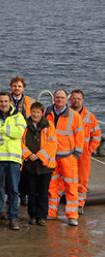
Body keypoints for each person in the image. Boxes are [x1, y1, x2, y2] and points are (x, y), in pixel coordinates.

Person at [0, 92, 26, 230]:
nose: (3, 104)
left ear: (10, 102)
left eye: (6, 101)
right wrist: (9, 134)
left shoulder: (19, 116)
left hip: (13, 158)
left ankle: (13, 218)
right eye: (1, 101)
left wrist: (0, 130)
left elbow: (19, 133)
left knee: (14, 190)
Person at [46, 89, 84, 226]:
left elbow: (80, 136)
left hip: (68, 157)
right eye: (57, 97)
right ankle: (51, 213)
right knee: (52, 187)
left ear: (66, 99)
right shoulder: (48, 113)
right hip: (52, 157)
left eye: (62, 98)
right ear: (54, 99)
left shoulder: (74, 116)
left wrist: (76, 154)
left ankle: (72, 216)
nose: (59, 100)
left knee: (71, 187)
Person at [22, 102, 57, 226]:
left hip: (45, 166)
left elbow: (52, 144)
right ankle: (32, 215)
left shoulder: (49, 125)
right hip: (29, 164)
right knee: (31, 192)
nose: (35, 114)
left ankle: (42, 216)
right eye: (33, 112)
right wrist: (28, 154)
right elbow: (20, 142)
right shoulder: (24, 125)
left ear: (42, 113)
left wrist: (39, 155)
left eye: (38, 112)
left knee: (43, 192)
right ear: (30, 112)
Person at [70, 89, 101, 214]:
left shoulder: (90, 116)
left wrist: (89, 150)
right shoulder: (66, 114)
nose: (76, 101)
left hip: (83, 154)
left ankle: (79, 204)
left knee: (82, 180)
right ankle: (68, 201)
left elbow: (97, 135)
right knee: (66, 178)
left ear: (82, 100)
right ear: (70, 100)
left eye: (79, 98)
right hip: (68, 152)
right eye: (74, 98)